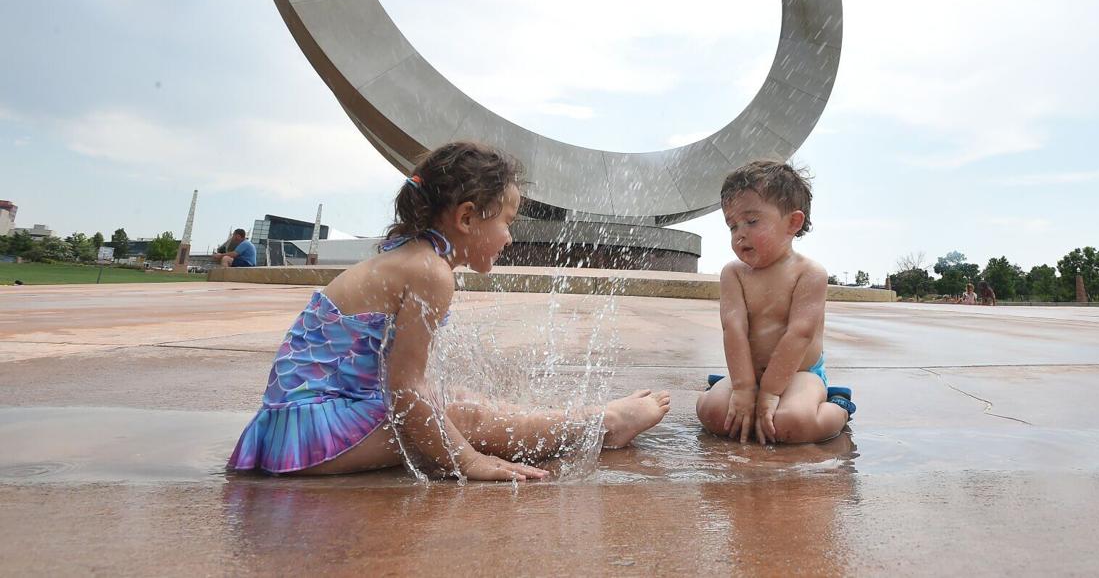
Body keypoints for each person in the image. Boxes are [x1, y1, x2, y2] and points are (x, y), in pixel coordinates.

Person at [228, 141, 670, 481]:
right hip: (308, 436)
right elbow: (405, 392)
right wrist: (469, 459)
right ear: (467, 218)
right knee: (463, 417)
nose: (509, 238)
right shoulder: (430, 272)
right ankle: (603, 424)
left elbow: (399, 383)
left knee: (460, 400)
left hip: (303, 423)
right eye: (507, 223)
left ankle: (584, 421)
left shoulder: (412, 257)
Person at [696, 160, 854, 445]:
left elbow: (800, 333)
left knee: (792, 424)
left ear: (793, 223)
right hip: (749, 373)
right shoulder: (734, 273)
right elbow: (733, 329)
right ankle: (724, 387)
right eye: (732, 225)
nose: (740, 233)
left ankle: (838, 408)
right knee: (712, 414)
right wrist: (744, 388)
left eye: (752, 221)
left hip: (799, 372)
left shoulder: (808, 273)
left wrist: (769, 392)